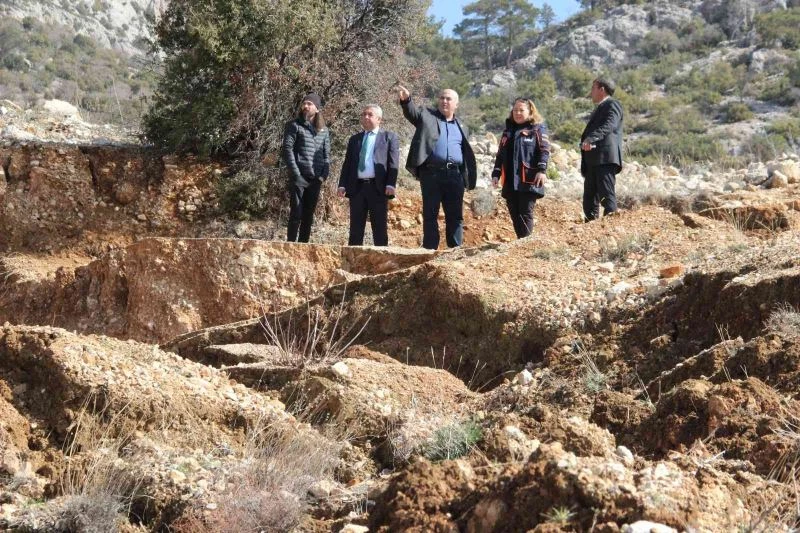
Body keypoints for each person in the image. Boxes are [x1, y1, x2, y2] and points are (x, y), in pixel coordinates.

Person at [395, 85, 477, 250]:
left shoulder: (463, 126)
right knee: (430, 215)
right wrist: (406, 100)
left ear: (456, 105)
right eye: (442, 98)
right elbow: (412, 113)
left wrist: (465, 176)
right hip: (431, 174)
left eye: (448, 99)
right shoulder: (427, 116)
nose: (444, 101)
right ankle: (429, 250)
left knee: (455, 216)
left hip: (455, 176)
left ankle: (455, 250)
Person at [337, 105, 399, 246]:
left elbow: (393, 163)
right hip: (357, 188)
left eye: (370, 114)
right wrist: (342, 184)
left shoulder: (389, 138)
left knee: (379, 228)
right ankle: (353, 263)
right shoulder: (355, 139)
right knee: (355, 229)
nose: (365, 117)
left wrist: (391, 184)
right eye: (364, 114)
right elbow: (348, 163)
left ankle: (382, 261)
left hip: (378, 188)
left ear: (379, 119)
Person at [491, 98, 551, 239]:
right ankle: (521, 241)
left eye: (521, 110)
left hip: (528, 178)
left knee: (525, 212)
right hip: (510, 180)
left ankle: (526, 243)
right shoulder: (507, 132)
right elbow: (500, 155)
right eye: (515, 110)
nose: (517, 113)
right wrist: (496, 174)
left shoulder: (537, 128)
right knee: (514, 212)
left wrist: (542, 171)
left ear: (530, 111)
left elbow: (545, 150)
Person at [282, 92, 331, 242]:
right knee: (296, 213)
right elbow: (287, 149)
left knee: (308, 216)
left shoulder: (323, 130)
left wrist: (323, 176)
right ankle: (291, 244)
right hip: (299, 177)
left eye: (309, 104)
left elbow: (326, 155)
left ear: (317, 109)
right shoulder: (293, 125)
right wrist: (296, 174)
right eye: (304, 103)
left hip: (315, 179)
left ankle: (303, 245)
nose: (305, 106)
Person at [580, 77, 623, 222]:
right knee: (589, 200)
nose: (591, 92)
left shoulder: (613, 104)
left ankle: (610, 228)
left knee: (606, 195)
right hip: (593, 161)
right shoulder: (600, 108)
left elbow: (610, 124)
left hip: (605, 159)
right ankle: (589, 232)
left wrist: (591, 138)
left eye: (593, 88)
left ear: (601, 89)